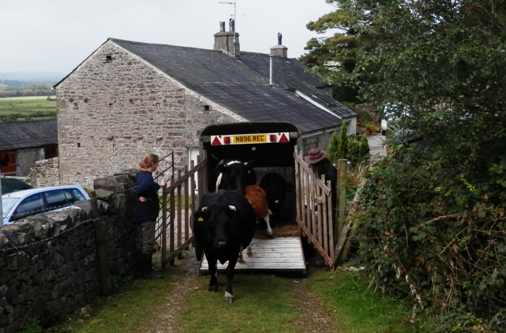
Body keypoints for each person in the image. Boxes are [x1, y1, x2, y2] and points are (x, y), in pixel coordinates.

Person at [135, 153, 167, 279]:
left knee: (142, 241)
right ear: (153, 164)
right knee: (148, 242)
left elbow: (149, 185)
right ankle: (146, 272)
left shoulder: (142, 175)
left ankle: (140, 270)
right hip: (146, 214)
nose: (158, 165)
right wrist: (143, 196)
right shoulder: (147, 177)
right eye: (157, 163)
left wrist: (159, 185)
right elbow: (143, 188)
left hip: (140, 212)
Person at [305, 148, 337, 218]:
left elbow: (332, 190)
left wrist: (323, 198)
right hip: (325, 201)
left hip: (330, 202)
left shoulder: (330, 172)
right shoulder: (322, 168)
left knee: (329, 217)